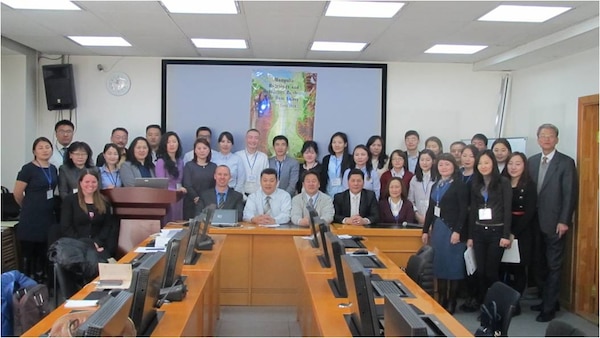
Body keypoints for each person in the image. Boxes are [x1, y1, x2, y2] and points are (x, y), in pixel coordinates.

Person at [527, 123, 577, 322]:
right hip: (533, 222)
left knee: (554, 264)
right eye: (542, 136)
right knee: (538, 264)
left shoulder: (566, 162)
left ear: (556, 139)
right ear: (538, 139)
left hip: (555, 222)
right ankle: (548, 298)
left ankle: (549, 308)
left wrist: (564, 220)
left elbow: (569, 194)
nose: (546, 139)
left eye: (550, 136)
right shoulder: (531, 161)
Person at [422, 153, 468, 314]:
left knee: (453, 268)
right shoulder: (436, 185)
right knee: (440, 266)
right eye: (441, 165)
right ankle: (442, 300)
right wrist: (425, 230)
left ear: (454, 166)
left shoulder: (460, 185)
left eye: (447, 164)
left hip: (453, 230)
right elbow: (430, 209)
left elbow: (464, 211)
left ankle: (452, 301)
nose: (444, 168)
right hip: (438, 229)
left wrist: (457, 231)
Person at [468, 149, 512, 307]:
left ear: (493, 163)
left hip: (497, 232)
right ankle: (482, 303)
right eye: (480, 163)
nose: (483, 166)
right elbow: (473, 210)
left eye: (486, 162)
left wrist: (506, 235)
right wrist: (470, 236)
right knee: (480, 271)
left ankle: (497, 305)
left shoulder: (503, 182)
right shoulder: (476, 183)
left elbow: (507, 209)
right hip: (479, 232)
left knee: (491, 272)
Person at [13, 137, 58, 282]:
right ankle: (26, 285)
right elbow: (17, 193)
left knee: (44, 252)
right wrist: (26, 206)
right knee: (29, 254)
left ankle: (42, 284)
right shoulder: (28, 169)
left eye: (47, 147)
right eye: (40, 147)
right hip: (31, 217)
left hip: (48, 216)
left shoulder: (53, 168)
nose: (45, 150)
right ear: (34, 151)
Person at [501, 152, 537, 315]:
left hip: (522, 230)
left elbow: (529, 213)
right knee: (503, 267)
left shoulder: (529, 185)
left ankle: (515, 303)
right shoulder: (502, 183)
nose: (513, 167)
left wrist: (514, 232)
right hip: (503, 228)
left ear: (524, 166)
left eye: (518, 164)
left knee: (518, 268)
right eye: (510, 164)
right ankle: (504, 300)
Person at [60, 169, 117, 259]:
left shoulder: (104, 201)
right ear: (80, 183)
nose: (90, 185)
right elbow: (66, 227)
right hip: (75, 246)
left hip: (99, 246)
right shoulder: (70, 200)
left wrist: (97, 243)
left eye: (94, 182)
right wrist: (86, 244)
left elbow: (107, 225)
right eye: (87, 182)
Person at [458, 144, 480, 313]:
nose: (466, 159)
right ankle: (466, 294)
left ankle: (475, 297)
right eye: (464, 155)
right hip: (459, 223)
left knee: (473, 261)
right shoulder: (458, 175)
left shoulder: (479, 177)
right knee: (463, 261)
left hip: (474, 223)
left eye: (470, 156)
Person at [155, 131, 187, 223]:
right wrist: (175, 191)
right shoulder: (161, 162)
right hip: (167, 198)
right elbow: (161, 184)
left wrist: (180, 190)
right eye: (168, 142)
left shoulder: (180, 161)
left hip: (179, 198)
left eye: (174, 141)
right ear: (164, 145)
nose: (172, 144)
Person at [182, 138, 217, 219]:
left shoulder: (213, 166)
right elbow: (187, 184)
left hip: (208, 203)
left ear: (209, 150)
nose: (202, 151)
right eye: (199, 148)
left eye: (205, 148)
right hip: (191, 203)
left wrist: (206, 199)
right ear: (194, 150)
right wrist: (195, 197)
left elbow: (214, 185)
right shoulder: (189, 165)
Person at [235, 129, 269, 197]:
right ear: (246, 139)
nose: (253, 140)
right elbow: (235, 177)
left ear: (259, 141)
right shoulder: (237, 156)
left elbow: (265, 177)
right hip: (239, 195)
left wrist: (258, 195)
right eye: (250, 137)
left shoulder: (263, 157)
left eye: (256, 138)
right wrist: (241, 194)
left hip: (259, 195)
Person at [407, 149, 437, 225]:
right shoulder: (414, 179)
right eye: (422, 160)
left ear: (433, 161)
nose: (424, 163)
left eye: (428, 160)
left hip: (435, 218)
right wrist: (417, 216)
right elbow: (410, 200)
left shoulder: (438, 178)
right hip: (418, 218)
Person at [321, 132, 354, 197]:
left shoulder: (351, 159)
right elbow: (323, 178)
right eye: (334, 142)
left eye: (340, 142)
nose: (336, 145)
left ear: (345, 144)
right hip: (328, 193)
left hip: (344, 194)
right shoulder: (326, 159)